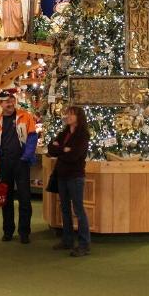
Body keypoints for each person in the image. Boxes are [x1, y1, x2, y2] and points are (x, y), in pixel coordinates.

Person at [0, 91, 38, 244]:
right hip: (4, 163)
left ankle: (24, 232)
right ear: (0, 103)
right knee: (5, 199)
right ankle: (8, 231)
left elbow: (32, 137)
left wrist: (26, 156)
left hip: (21, 163)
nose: (10, 103)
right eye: (7, 101)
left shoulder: (25, 116)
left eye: (12, 100)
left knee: (25, 199)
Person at [47, 106, 91, 257]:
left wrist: (60, 150)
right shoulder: (64, 133)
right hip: (62, 175)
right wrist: (63, 149)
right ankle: (67, 240)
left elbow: (74, 156)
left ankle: (84, 244)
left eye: (72, 114)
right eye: (67, 114)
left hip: (75, 176)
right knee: (65, 209)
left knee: (78, 210)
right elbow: (50, 149)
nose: (68, 116)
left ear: (79, 117)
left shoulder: (82, 135)